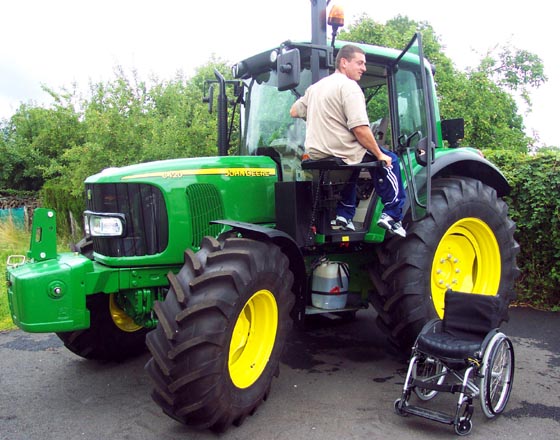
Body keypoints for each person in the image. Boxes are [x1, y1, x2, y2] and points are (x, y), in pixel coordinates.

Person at [289, 44, 406, 237]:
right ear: (344, 62)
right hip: (341, 148)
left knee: (355, 162)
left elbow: (294, 111)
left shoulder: (315, 88)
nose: (364, 68)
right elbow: (359, 128)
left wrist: (319, 115)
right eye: (360, 63)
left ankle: (344, 214)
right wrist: (379, 154)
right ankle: (392, 215)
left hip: (318, 151)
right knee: (390, 160)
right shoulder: (350, 87)